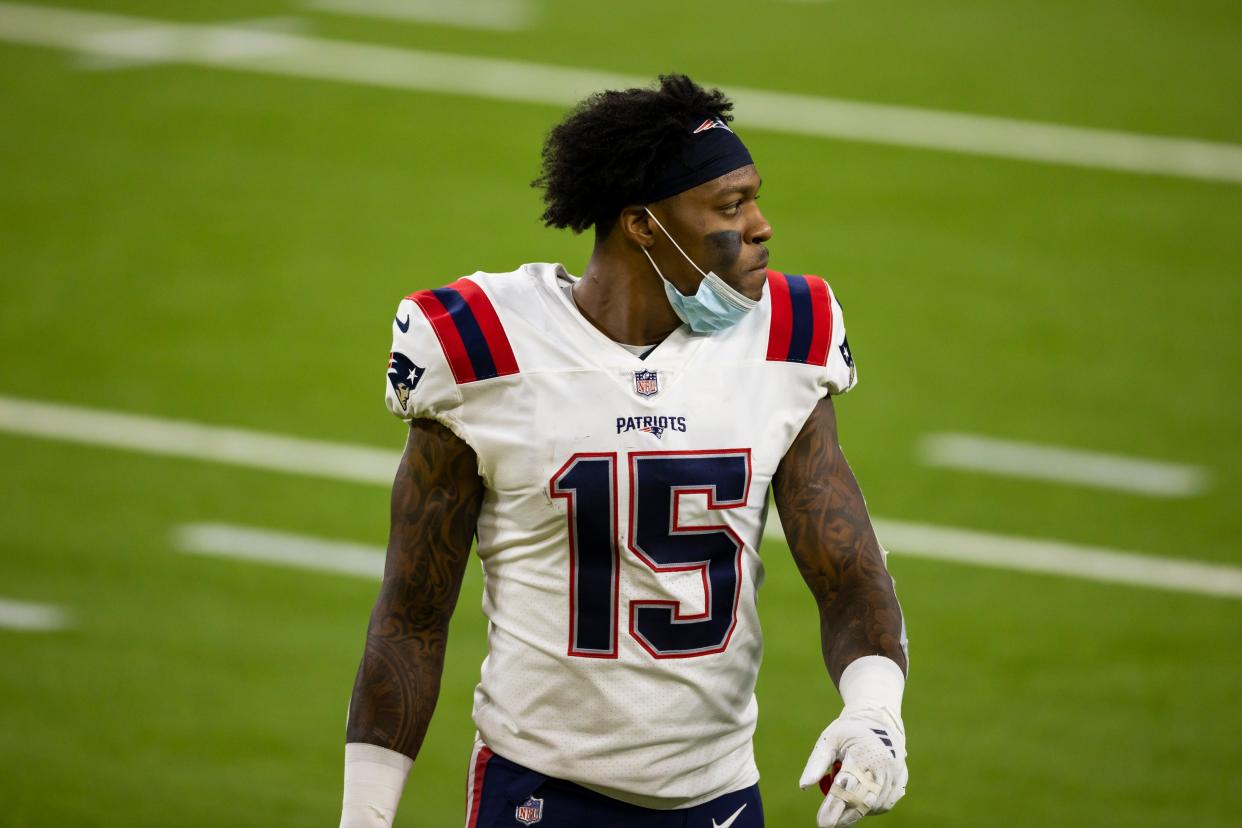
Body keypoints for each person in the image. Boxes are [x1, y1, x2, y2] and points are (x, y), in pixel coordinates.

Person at [340, 74, 909, 828]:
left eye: (755, 198)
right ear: (644, 224)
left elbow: (848, 572)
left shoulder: (786, 341)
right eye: (731, 206)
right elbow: (412, 612)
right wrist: (365, 817)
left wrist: (874, 714)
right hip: (539, 795)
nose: (763, 225)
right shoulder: (484, 348)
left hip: (721, 800)